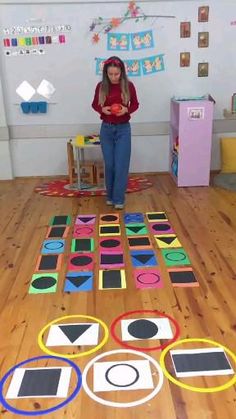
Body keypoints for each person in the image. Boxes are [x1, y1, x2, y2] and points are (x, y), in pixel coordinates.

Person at [92, 56, 139, 209]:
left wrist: (126, 109)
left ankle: (119, 199)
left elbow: (136, 104)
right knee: (110, 165)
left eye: (116, 74)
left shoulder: (128, 86)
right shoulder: (101, 86)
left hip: (123, 129)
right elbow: (94, 104)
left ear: (121, 72)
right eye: (110, 74)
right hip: (106, 129)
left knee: (121, 165)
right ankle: (110, 196)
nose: (113, 77)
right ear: (106, 73)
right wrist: (102, 109)